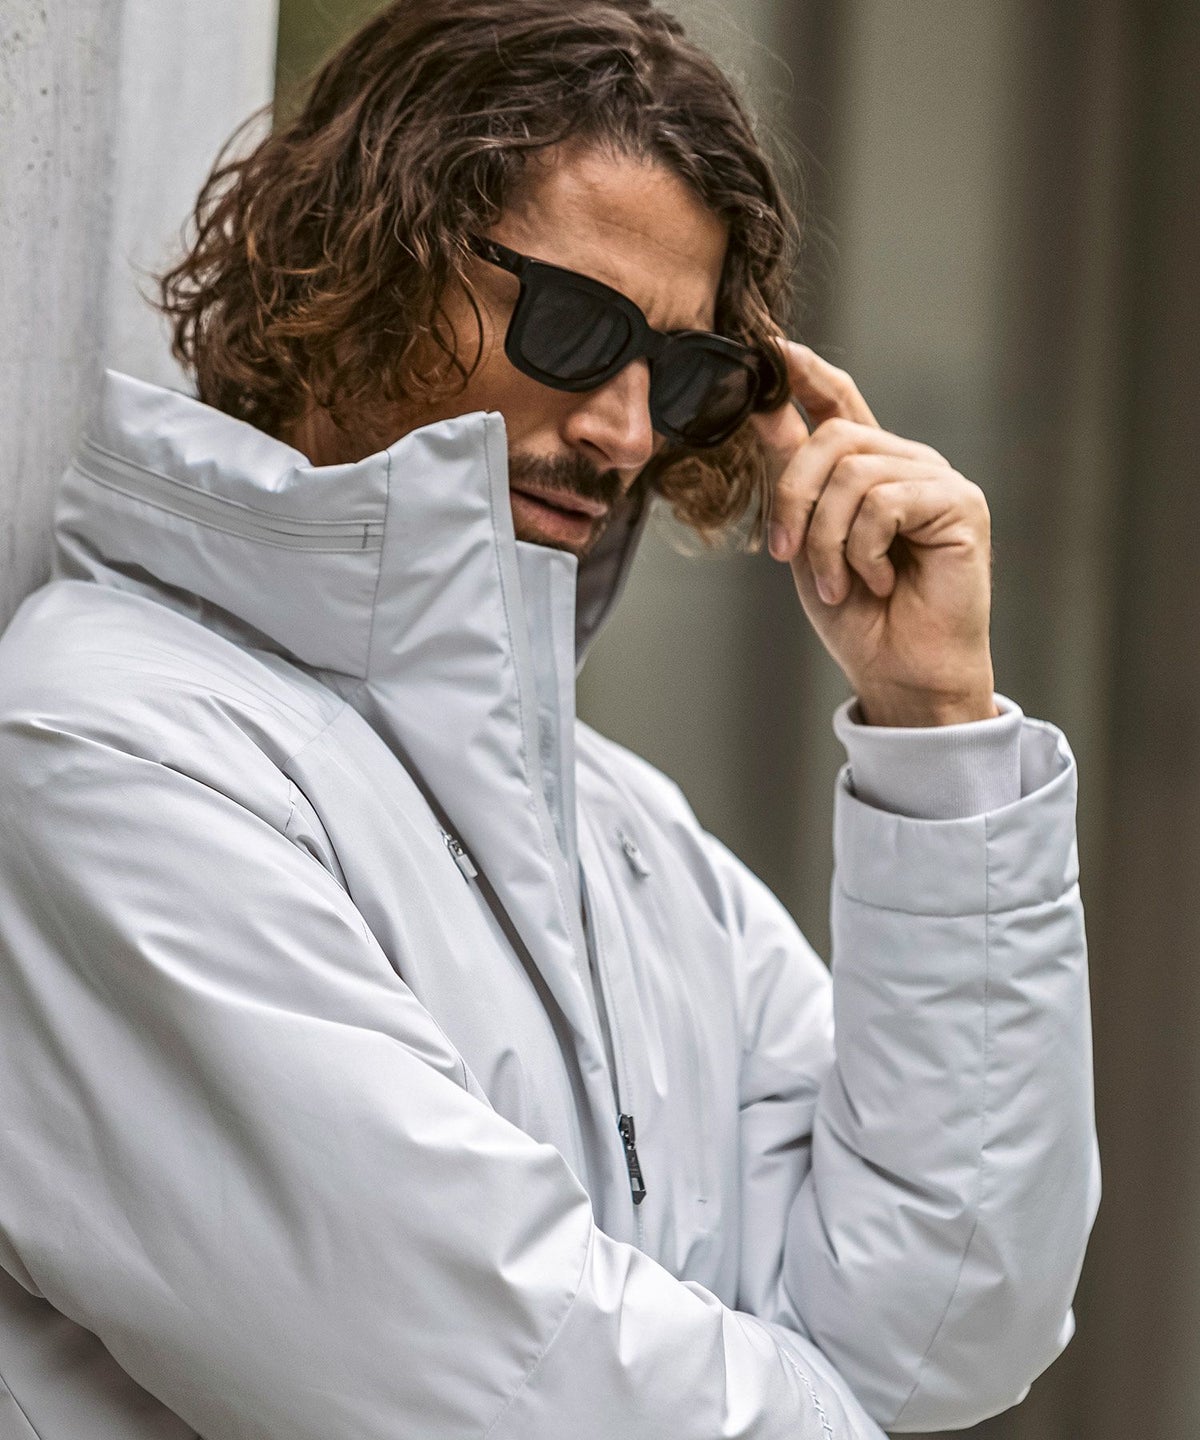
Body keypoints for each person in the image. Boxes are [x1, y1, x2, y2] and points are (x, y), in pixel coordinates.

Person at [0, 3, 1098, 1437]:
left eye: (687, 374)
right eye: (576, 327)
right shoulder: (105, 752)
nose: (627, 432)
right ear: (359, 261)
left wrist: (935, 721)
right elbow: (509, 1388)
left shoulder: (633, 837)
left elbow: (949, 1322)